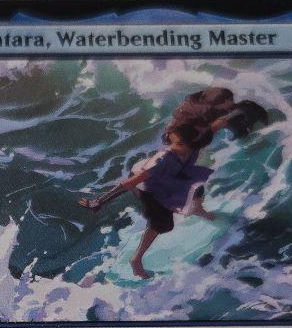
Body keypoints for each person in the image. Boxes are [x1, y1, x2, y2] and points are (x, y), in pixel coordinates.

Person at [78, 88, 267, 279]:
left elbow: (216, 125)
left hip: (172, 174)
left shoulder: (196, 140)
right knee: (163, 223)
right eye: (180, 144)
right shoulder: (165, 159)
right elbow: (129, 183)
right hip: (149, 184)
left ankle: (197, 209)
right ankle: (136, 259)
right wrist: (99, 201)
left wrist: (241, 111)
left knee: (196, 183)